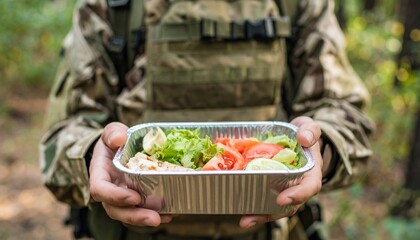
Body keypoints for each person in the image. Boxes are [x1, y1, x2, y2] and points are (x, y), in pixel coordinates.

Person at [39, 0, 375, 239]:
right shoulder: (113, 6)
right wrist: (91, 157)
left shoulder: (298, 4)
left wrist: (321, 150)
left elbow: (348, 119)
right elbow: (60, 139)